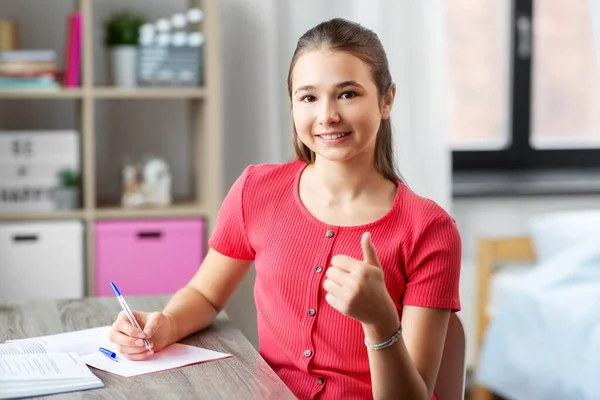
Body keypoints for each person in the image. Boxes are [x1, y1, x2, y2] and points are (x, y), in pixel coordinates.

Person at [109, 17, 461, 400]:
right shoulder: (257, 189)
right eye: (308, 97)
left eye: (347, 94)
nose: (327, 115)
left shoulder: (429, 229)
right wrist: (166, 324)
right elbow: (207, 295)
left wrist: (380, 324)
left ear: (386, 99)